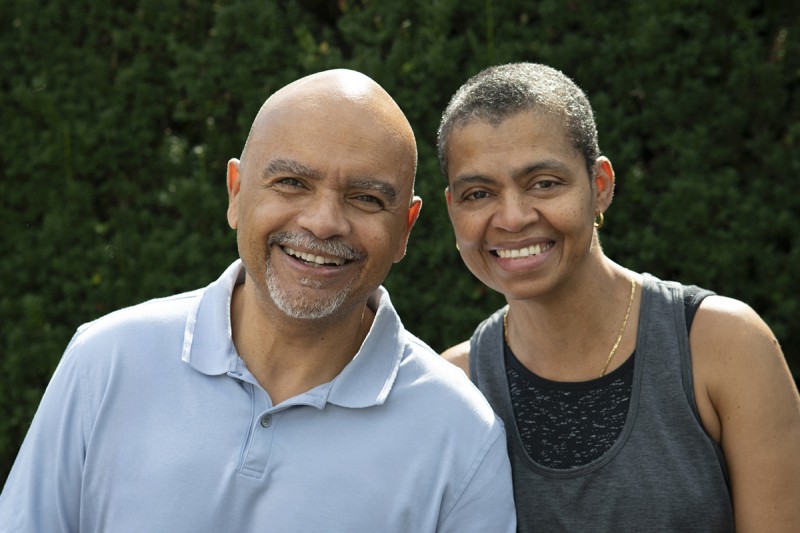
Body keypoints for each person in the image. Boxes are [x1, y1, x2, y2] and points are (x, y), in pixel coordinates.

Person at [0, 69, 516, 532]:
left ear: (405, 230)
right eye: (292, 183)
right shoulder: (106, 361)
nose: (323, 222)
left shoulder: (461, 435)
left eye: (365, 198)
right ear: (236, 193)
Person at [438, 62, 800, 532]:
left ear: (600, 186)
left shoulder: (723, 347)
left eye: (544, 183)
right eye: (479, 193)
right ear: (452, 210)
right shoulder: (455, 389)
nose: (512, 217)